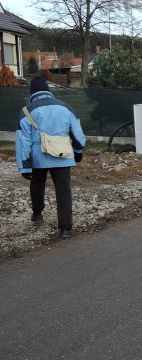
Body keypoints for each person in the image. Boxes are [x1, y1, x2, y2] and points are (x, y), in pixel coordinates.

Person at [16, 76, 86, 239]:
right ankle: (66, 227)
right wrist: (78, 151)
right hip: (62, 155)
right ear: (48, 90)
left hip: (38, 157)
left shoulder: (27, 111)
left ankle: (37, 214)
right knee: (63, 190)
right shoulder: (66, 107)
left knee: (37, 184)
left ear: (32, 92)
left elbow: (23, 141)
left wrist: (25, 166)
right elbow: (77, 134)